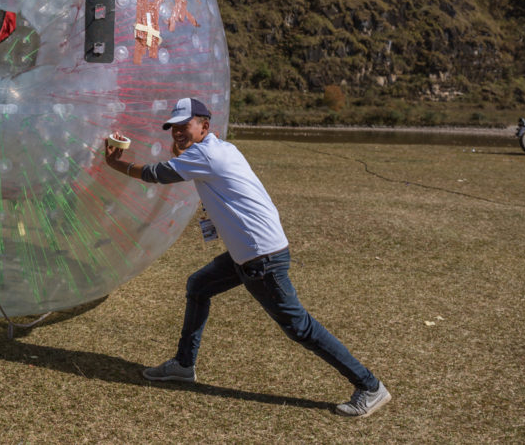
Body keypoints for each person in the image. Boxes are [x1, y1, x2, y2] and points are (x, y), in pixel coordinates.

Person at [104, 97, 391, 418]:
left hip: (260, 258)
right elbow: (188, 166)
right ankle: (184, 365)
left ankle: (369, 386)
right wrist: (183, 152)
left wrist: (116, 163)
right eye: (174, 128)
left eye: (185, 126)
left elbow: (157, 173)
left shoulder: (206, 154)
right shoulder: (221, 148)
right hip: (254, 252)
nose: (178, 133)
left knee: (300, 327)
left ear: (204, 126)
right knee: (199, 285)